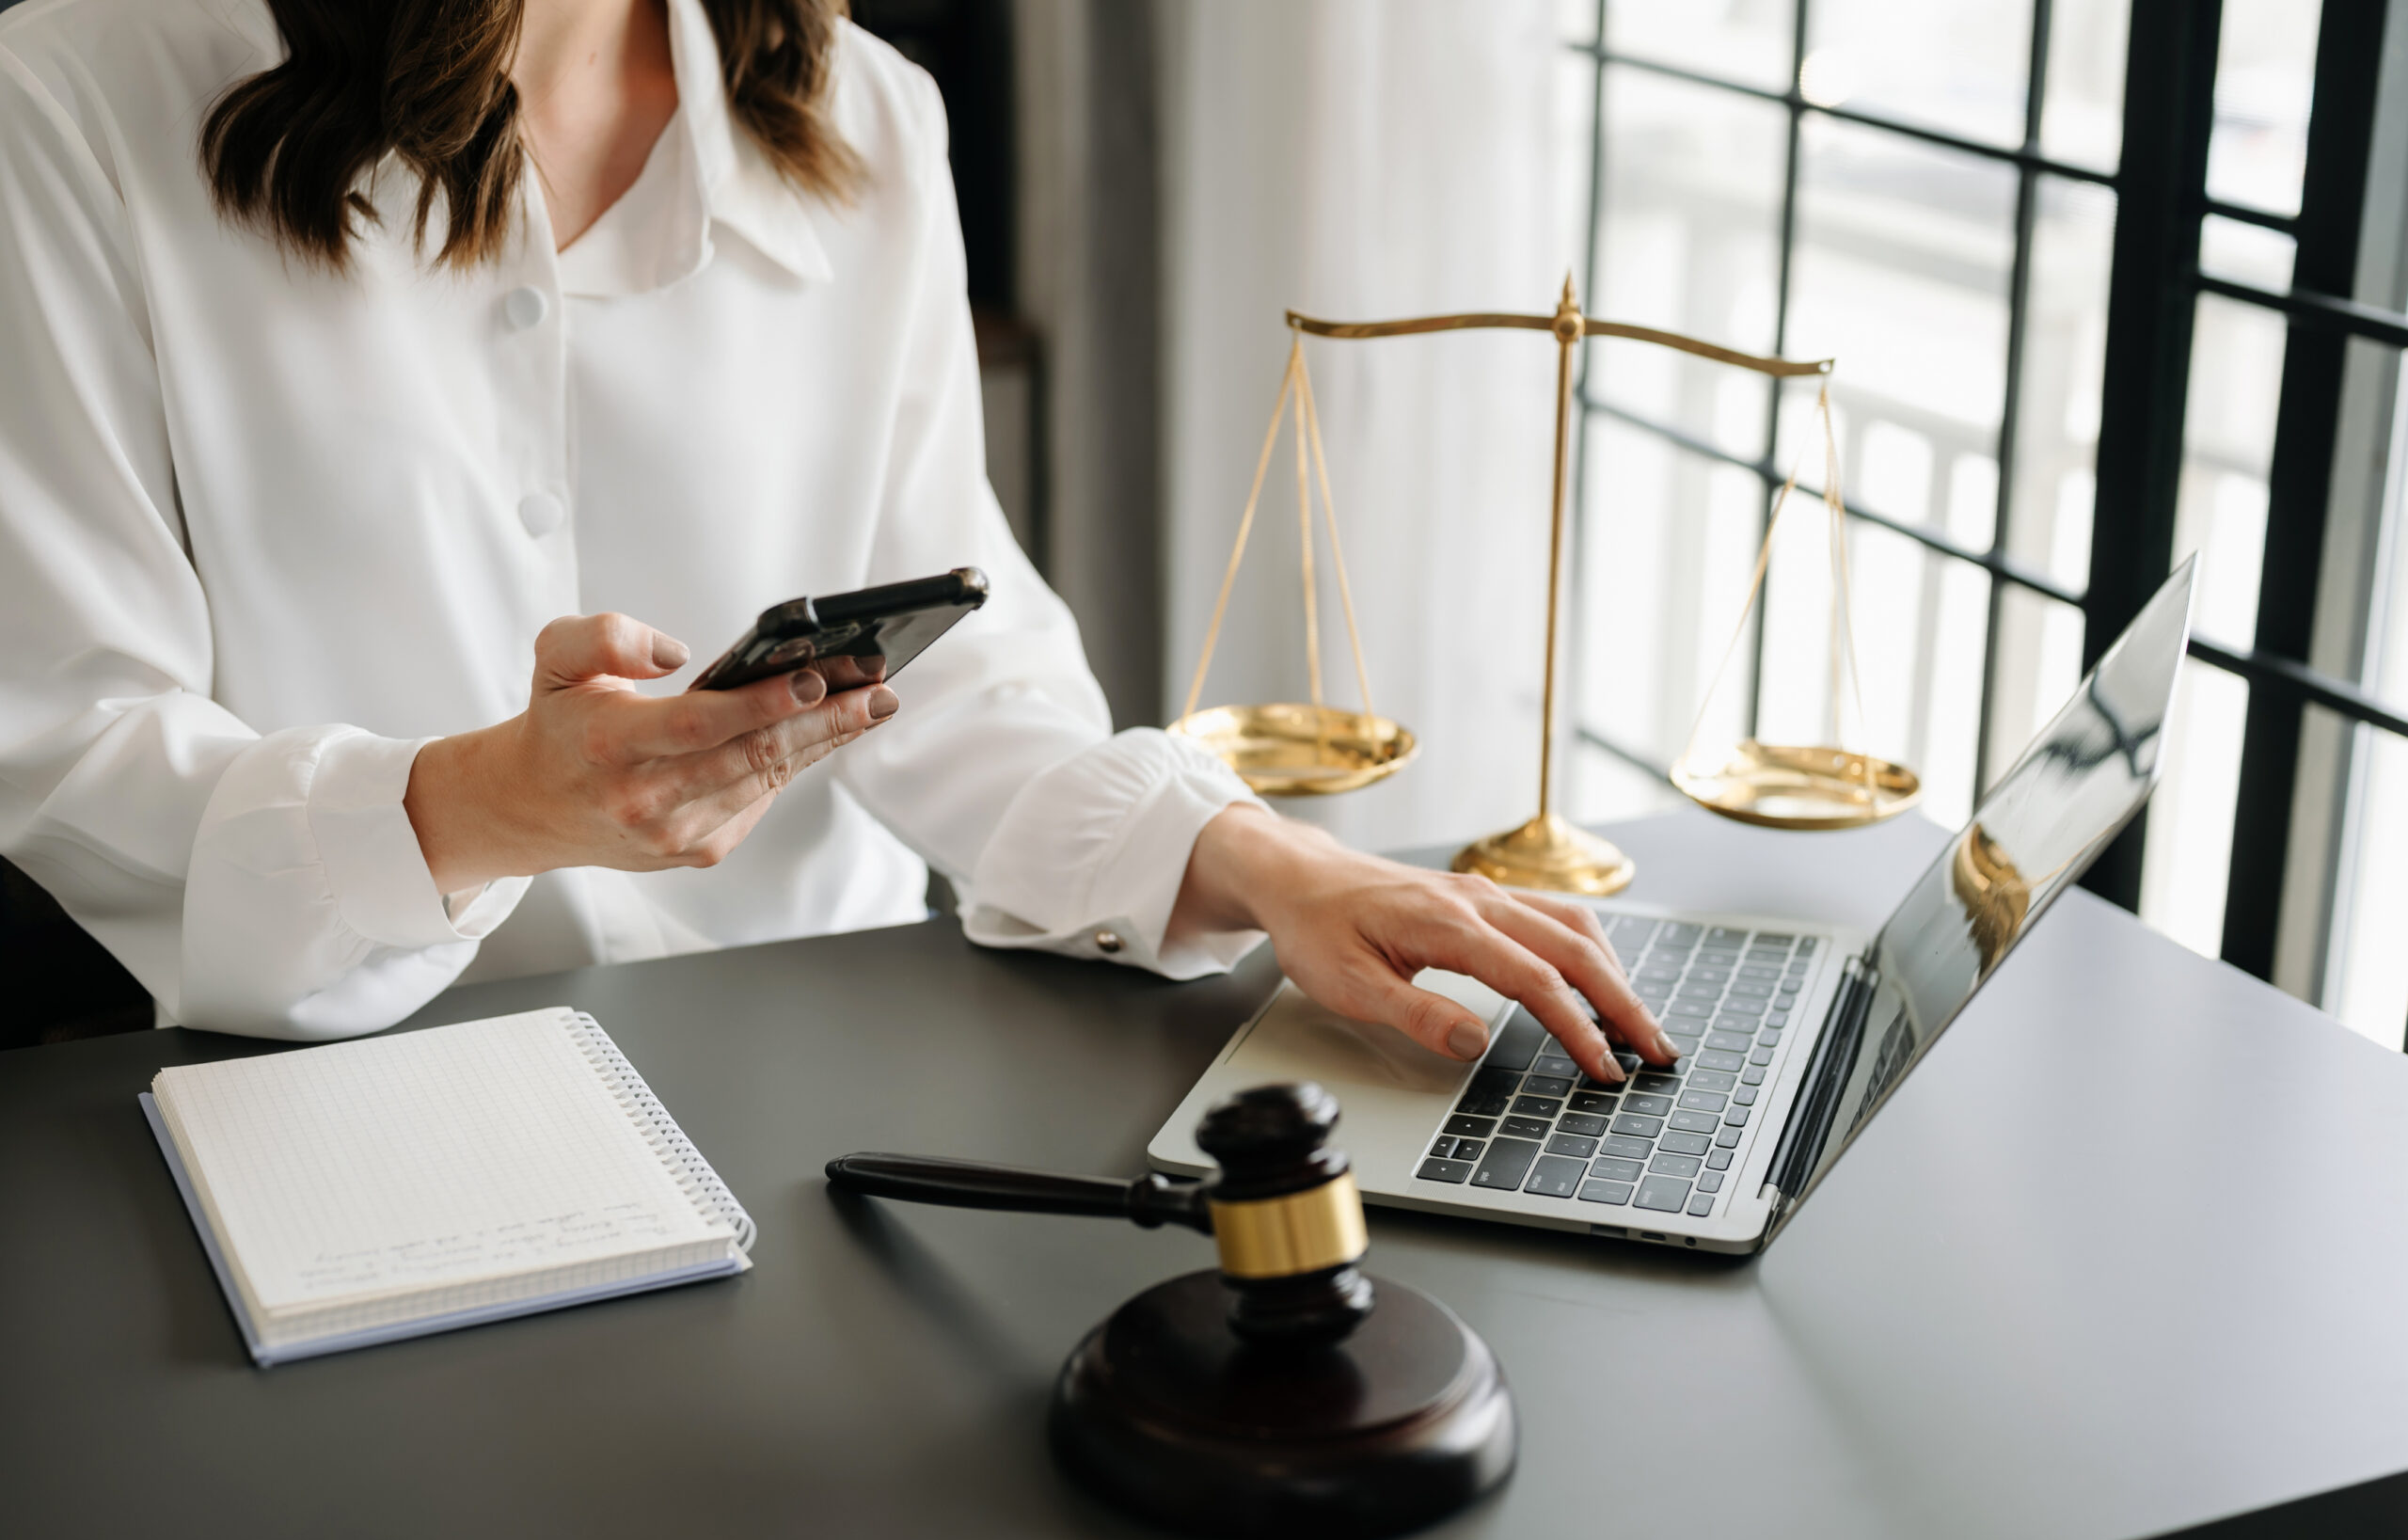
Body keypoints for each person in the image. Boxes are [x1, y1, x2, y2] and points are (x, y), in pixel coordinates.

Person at [0, 0, 1675, 1081]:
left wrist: (1256, 858)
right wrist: (483, 803)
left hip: (813, 1072)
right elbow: (73, 746)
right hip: (341, 1107)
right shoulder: (78, 90)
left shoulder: (868, 115)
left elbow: (955, 661)